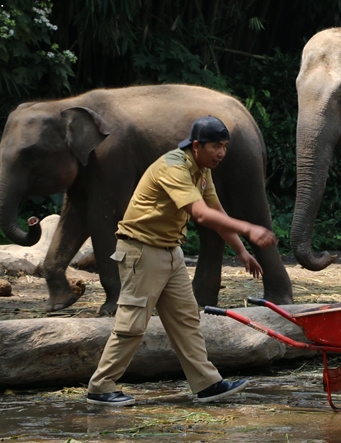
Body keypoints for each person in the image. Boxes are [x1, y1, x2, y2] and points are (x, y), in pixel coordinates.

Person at [86, 115, 278, 406]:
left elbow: (217, 212)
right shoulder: (174, 166)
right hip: (142, 250)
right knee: (133, 323)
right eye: (216, 146)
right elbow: (200, 214)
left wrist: (241, 251)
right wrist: (249, 228)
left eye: (225, 146)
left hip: (170, 251)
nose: (222, 153)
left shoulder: (201, 170)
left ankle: (207, 383)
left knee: (187, 320)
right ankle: (100, 387)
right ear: (197, 145)